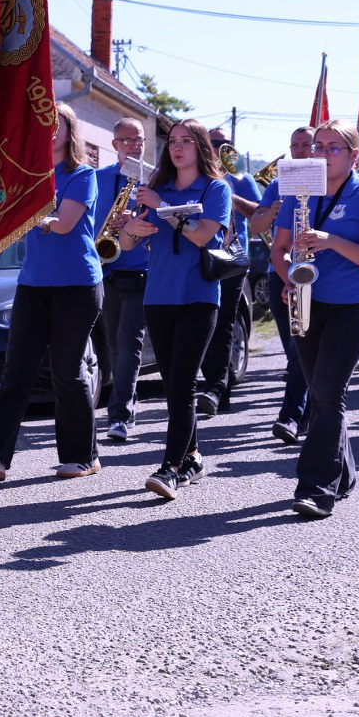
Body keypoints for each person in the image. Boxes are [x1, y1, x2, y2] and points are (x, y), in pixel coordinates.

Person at [0, 102, 104, 481]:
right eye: (43, 122)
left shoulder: (82, 174)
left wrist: (23, 215)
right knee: (16, 371)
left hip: (77, 285)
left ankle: (83, 456)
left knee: (66, 372)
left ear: (70, 132)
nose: (47, 128)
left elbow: (64, 224)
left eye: (56, 123)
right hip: (33, 284)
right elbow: (5, 215)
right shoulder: (29, 174)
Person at [269, 120, 359, 519]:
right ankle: (344, 475)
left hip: (352, 307)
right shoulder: (299, 190)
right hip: (307, 302)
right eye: (318, 147)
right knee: (322, 394)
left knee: (326, 394)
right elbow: (279, 249)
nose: (322, 154)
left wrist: (331, 241)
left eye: (332, 148)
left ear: (354, 155)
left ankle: (316, 488)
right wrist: (290, 278)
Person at [118, 118, 230, 500]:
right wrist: (130, 228)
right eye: (173, 142)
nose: (177, 147)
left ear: (201, 147)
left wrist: (163, 207)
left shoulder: (215, 188)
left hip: (199, 296)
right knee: (174, 386)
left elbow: (203, 235)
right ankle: (193, 457)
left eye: (186, 141)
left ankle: (170, 468)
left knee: (183, 384)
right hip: (159, 297)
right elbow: (127, 245)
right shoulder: (157, 187)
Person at [250, 126, 313, 444]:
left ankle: (292, 416)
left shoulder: (330, 183)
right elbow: (256, 224)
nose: (300, 150)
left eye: (307, 145)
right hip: (282, 271)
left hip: (317, 274)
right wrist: (273, 212)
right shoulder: (278, 184)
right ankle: (306, 413)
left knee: (303, 347)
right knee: (294, 348)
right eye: (295, 145)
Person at [197, 129, 262, 415]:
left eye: (226, 144)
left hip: (231, 258)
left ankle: (216, 389)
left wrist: (230, 197)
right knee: (201, 321)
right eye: (214, 143)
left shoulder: (241, 177)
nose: (221, 148)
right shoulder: (198, 174)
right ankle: (213, 384)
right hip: (198, 255)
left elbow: (259, 213)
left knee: (224, 322)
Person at [96, 118, 153, 443]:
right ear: (114, 144)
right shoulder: (100, 178)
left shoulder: (154, 179)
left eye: (139, 140)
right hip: (107, 270)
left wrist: (134, 219)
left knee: (129, 342)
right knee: (115, 345)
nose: (134, 145)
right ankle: (127, 403)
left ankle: (119, 414)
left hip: (142, 269)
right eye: (127, 140)